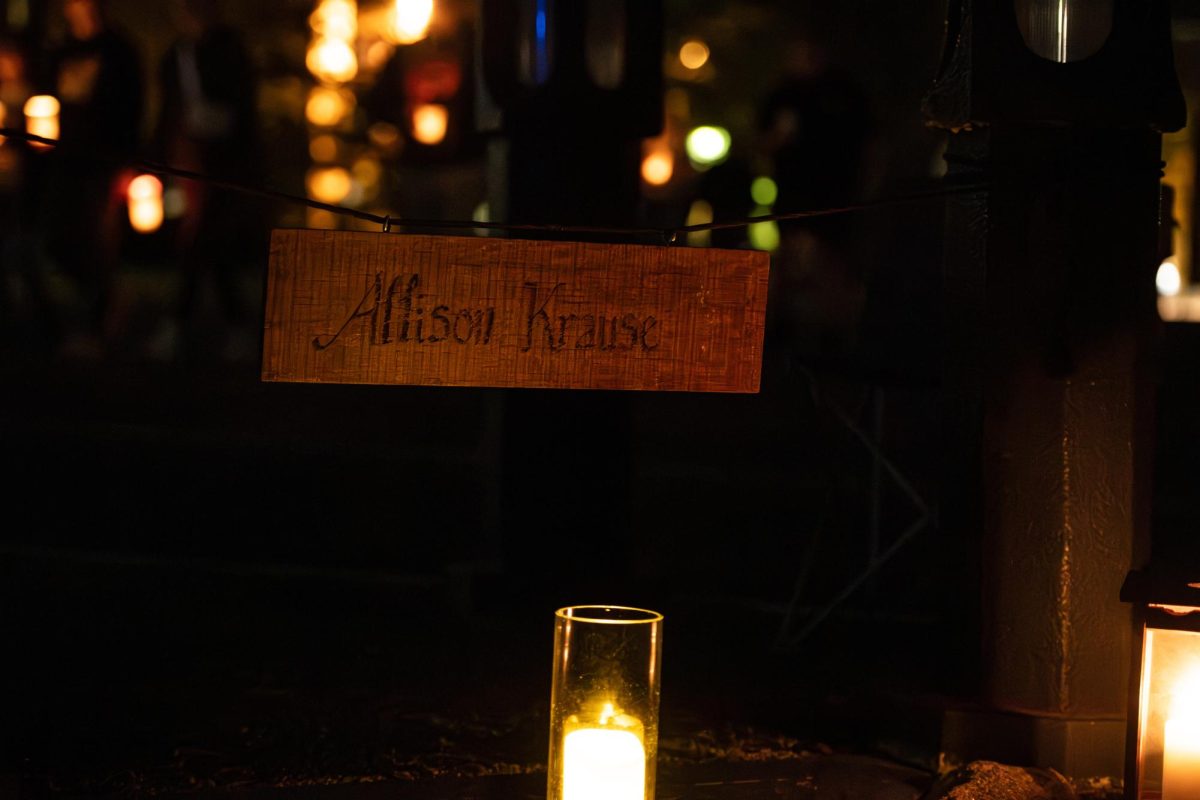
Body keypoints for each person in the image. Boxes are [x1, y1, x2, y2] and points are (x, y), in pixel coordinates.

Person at [147, 0, 259, 361]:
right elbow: (169, 111)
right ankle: (229, 328)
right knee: (202, 243)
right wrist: (158, 159)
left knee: (205, 241)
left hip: (223, 167)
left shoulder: (229, 52)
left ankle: (182, 324)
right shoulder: (177, 55)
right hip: (186, 163)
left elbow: (241, 111)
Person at [40, 0, 143, 356]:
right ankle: (81, 320)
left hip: (105, 162)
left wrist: (128, 161)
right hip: (67, 162)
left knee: (100, 242)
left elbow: (132, 106)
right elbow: (49, 102)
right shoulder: (62, 51)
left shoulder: (119, 51)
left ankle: (101, 328)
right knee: (62, 239)